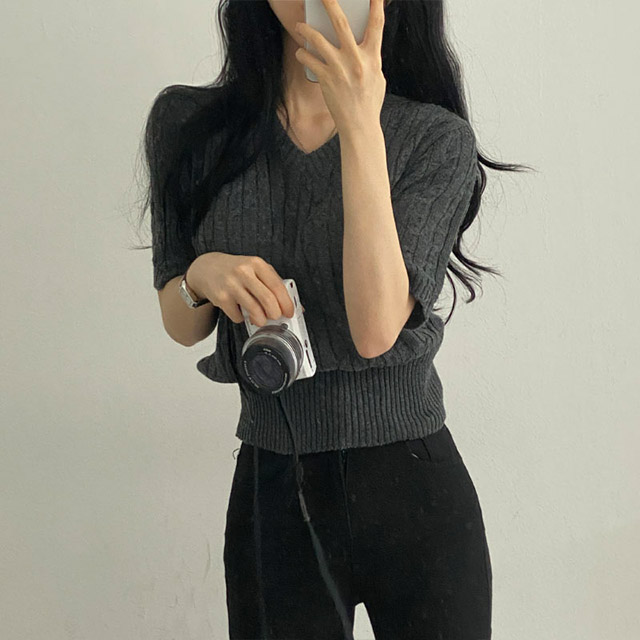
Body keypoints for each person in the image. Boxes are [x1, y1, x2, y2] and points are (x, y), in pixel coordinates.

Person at [142, 0, 529, 637]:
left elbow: (375, 331)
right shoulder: (189, 125)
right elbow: (183, 325)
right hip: (273, 490)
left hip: (413, 488)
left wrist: (359, 124)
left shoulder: (433, 138)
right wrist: (200, 276)